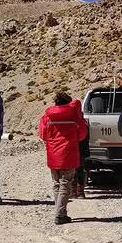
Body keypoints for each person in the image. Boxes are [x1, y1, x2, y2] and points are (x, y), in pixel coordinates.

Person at [39, 91, 88, 225]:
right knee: (65, 184)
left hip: (53, 155)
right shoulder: (74, 116)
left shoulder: (47, 117)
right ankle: (60, 214)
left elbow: (42, 134)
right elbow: (82, 134)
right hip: (69, 154)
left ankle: (60, 212)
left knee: (56, 184)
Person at [72, 98, 89, 199]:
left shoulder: (70, 118)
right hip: (82, 149)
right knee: (80, 170)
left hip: (71, 148)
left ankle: (73, 191)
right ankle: (80, 192)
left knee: (72, 170)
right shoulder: (82, 119)